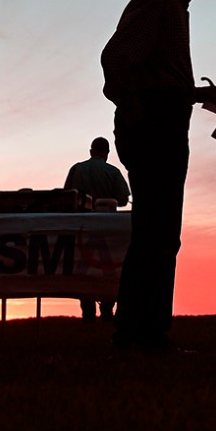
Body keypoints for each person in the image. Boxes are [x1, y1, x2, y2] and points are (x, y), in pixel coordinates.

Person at [100, 0, 216, 352]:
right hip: (155, 129)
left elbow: (152, 71)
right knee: (157, 232)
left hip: (161, 124)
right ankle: (143, 334)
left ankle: (142, 330)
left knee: (157, 232)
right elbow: (118, 60)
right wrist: (141, 114)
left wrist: (193, 95)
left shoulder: (173, 2)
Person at [64, 136, 130, 320]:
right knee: (108, 269)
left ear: (91, 151)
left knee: (83, 269)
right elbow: (124, 198)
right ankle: (107, 310)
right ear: (106, 154)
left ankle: (88, 312)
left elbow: (66, 196)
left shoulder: (77, 169)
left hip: (81, 227)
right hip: (108, 229)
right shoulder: (113, 172)